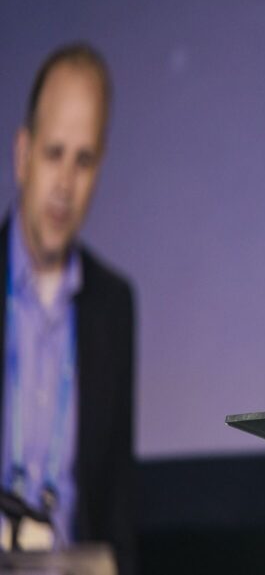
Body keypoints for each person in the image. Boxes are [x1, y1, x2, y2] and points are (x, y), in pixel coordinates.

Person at [0, 44, 135, 574]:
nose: (64, 185)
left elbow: (117, 503)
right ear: (23, 155)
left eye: (83, 161)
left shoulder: (113, 305)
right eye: (54, 153)